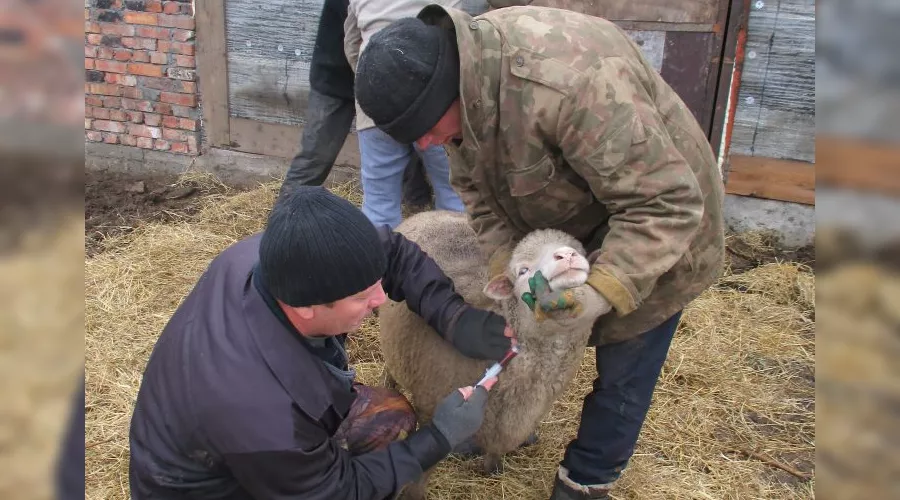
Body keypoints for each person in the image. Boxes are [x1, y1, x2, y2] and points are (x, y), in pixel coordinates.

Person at [353, 5, 727, 499]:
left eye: (425, 126)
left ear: (448, 86)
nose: (425, 143)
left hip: (659, 231)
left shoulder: (572, 86)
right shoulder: (462, 99)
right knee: (540, 337)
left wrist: (601, 292)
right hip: (564, 233)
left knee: (624, 367)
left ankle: (587, 480)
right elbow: (481, 203)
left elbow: (668, 205)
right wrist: (513, 272)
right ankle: (504, 421)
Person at [128, 186, 515, 499]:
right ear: (308, 307)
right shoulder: (258, 410)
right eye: (363, 297)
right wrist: (441, 436)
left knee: (390, 416)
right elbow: (337, 490)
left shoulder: (288, 256)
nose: (381, 300)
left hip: (254, 442)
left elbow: (391, 254)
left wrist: (452, 316)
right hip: (210, 487)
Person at [279, 0, 433, 208]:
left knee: (401, 145)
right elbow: (353, 31)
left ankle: (417, 211)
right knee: (316, 156)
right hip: (336, 75)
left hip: (385, 76)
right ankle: (283, 218)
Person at [343, 0, 472, 228]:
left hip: (378, 99)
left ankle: (381, 261)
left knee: (379, 205)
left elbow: (351, 43)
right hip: (438, 102)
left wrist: (378, 91)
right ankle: (455, 262)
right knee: (454, 197)